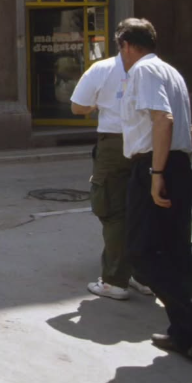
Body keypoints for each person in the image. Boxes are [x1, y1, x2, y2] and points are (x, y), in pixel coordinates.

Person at [116, 18, 192, 359]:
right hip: (176, 164)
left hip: (157, 165)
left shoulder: (143, 71)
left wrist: (157, 173)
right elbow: (189, 128)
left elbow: (163, 120)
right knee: (175, 252)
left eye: (119, 47)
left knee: (141, 253)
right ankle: (183, 333)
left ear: (126, 43)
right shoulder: (170, 72)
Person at [70, 51, 152, 300]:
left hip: (115, 142)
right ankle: (143, 275)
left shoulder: (102, 69)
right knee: (144, 208)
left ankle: (115, 280)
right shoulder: (160, 70)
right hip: (149, 143)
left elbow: (77, 107)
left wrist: (97, 104)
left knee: (113, 211)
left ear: (124, 43)